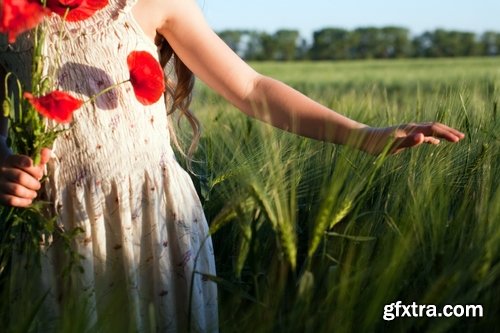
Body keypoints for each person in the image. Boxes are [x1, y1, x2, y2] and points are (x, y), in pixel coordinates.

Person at [0, 0, 465, 331]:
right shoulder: (8, 14)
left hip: (152, 226)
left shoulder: (149, 3)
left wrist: (363, 136)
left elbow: (251, 88)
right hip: (50, 230)